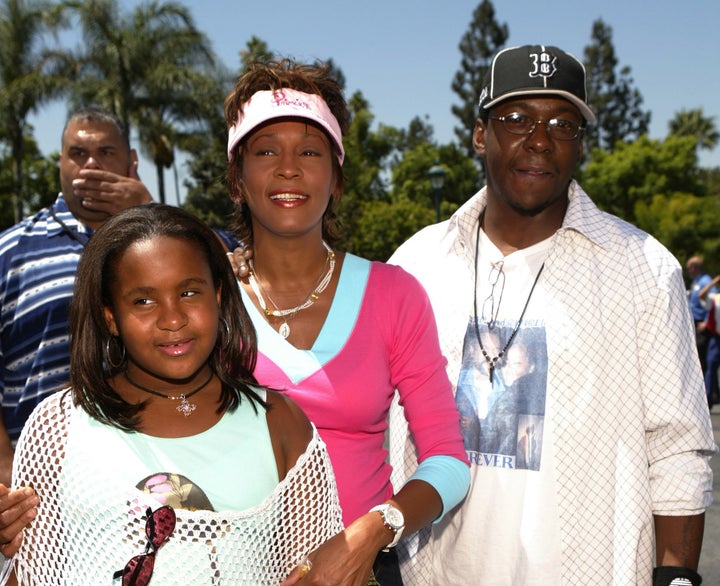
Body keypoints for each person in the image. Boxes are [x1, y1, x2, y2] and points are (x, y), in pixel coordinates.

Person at [388, 44, 716, 586]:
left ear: (580, 145)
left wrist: (676, 578)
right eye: (516, 119)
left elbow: (678, 446)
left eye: (563, 124)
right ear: (479, 133)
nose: (539, 140)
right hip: (435, 573)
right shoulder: (417, 264)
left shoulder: (642, 268)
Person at [0, 204, 343, 584]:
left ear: (218, 295)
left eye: (189, 292)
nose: (173, 318)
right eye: (143, 300)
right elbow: (29, 574)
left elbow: (317, 572)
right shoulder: (59, 428)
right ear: (110, 317)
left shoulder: (279, 422)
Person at [224, 60, 469, 586]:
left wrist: (373, 531)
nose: (288, 168)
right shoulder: (206, 299)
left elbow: (449, 463)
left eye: (310, 152)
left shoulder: (393, 294)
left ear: (335, 179)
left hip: (364, 572)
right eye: (266, 151)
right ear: (237, 179)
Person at [0, 107, 153, 486]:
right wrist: (4, 462)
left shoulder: (168, 244)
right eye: (77, 154)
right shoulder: (10, 251)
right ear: (60, 164)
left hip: (155, 480)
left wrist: (148, 212)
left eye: (106, 152)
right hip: (40, 490)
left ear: (131, 162)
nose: (90, 165)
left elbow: (231, 269)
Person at [687, 256, 717, 400]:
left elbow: (713, 304)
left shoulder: (705, 282)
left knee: (703, 360)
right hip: (695, 322)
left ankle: (708, 394)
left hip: (703, 324)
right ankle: (710, 392)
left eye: (690, 268)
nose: (689, 271)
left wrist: (706, 321)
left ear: (695, 267)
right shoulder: (696, 282)